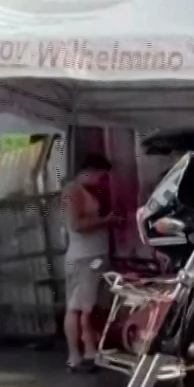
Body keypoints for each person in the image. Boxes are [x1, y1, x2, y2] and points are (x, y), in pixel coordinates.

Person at [62, 152, 120, 373]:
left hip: (94, 255)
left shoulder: (86, 191)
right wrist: (106, 221)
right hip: (84, 257)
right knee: (79, 308)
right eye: (101, 176)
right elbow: (76, 224)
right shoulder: (73, 191)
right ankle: (76, 354)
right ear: (91, 172)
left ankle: (88, 350)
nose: (101, 182)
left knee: (87, 306)